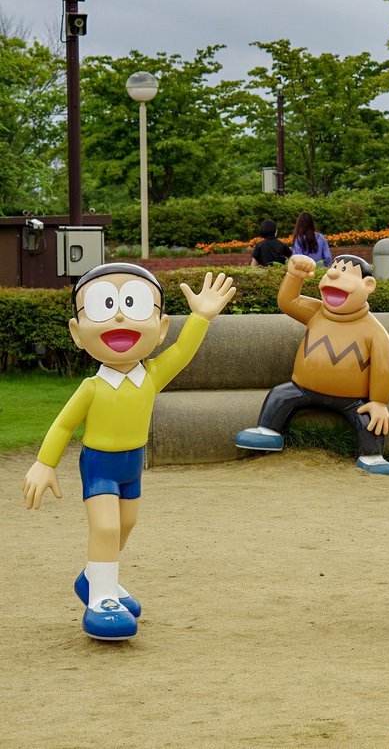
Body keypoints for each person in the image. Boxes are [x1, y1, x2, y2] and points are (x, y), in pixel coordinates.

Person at [22, 264, 236, 640]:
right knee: (104, 526)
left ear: (161, 328)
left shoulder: (151, 376)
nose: (120, 315)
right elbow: (63, 425)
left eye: (134, 306)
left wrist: (201, 316)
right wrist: (44, 463)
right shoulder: (92, 387)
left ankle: (94, 577)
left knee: (125, 524)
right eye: (105, 307)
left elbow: (184, 351)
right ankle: (102, 597)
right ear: (77, 332)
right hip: (100, 464)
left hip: (131, 463)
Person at [234, 253, 389, 474]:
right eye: (333, 268)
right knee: (280, 395)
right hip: (302, 389)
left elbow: (385, 367)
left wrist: (379, 402)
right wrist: (294, 276)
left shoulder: (374, 331)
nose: (331, 273)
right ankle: (269, 431)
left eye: (343, 272)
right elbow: (288, 302)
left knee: (369, 420)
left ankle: (371, 455)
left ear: (368, 285)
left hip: (352, 401)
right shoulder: (317, 312)